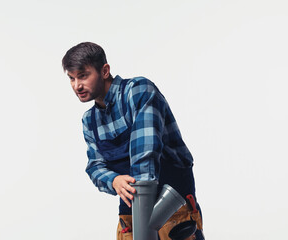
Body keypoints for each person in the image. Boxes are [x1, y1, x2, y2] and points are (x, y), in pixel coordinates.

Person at [62, 42, 204, 240]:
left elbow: (144, 154)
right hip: (131, 212)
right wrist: (113, 180)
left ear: (104, 71)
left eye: (83, 75)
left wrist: (144, 223)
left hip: (171, 205)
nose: (77, 85)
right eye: (71, 78)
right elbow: (94, 166)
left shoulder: (137, 91)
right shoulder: (90, 120)